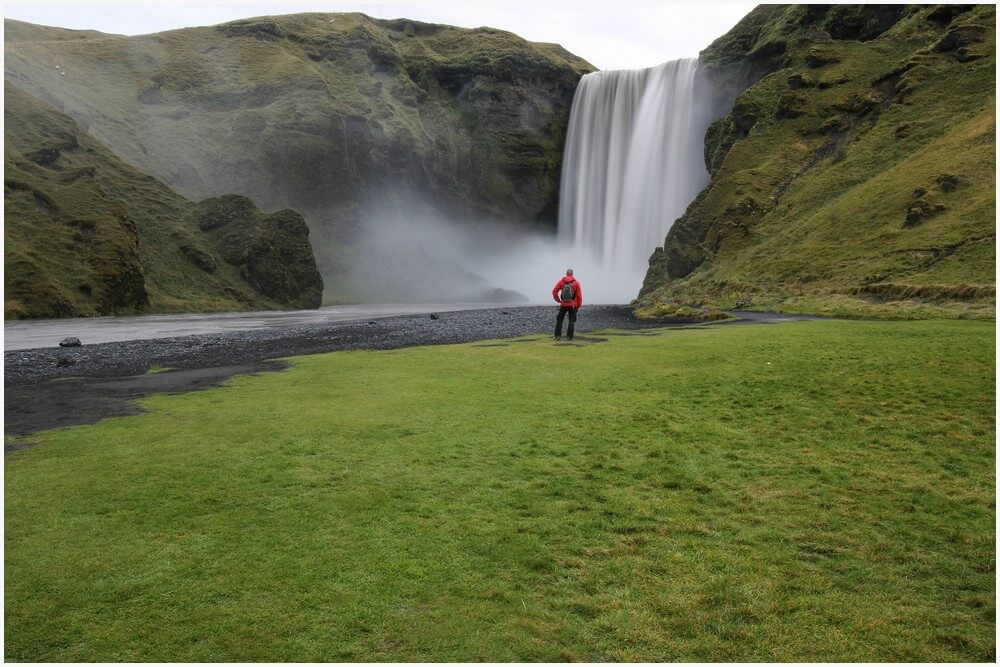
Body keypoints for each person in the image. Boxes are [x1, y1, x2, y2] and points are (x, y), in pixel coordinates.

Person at [552, 268, 583, 340]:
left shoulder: (561, 282)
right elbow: (579, 296)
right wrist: (578, 306)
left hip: (563, 305)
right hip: (573, 305)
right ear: (572, 274)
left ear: (566, 274)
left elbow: (554, 291)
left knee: (559, 319)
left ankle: (557, 336)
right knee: (571, 320)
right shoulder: (576, 283)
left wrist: (558, 300)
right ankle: (569, 337)